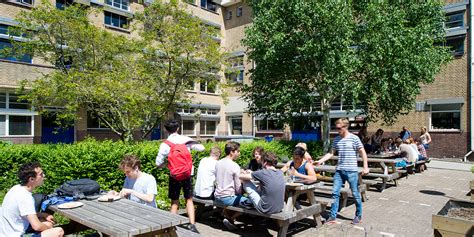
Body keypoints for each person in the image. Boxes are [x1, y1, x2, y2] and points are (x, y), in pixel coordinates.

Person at [156, 119, 205, 233]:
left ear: (166, 130)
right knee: (189, 199)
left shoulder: (165, 144)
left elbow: (158, 163)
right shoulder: (185, 140)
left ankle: (171, 226)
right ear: (178, 129)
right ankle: (192, 225)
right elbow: (202, 148)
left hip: (174, 175)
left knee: (174, 201)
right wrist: (191, 145)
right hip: (187, 174)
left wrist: (167, 164)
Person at [317, 118, 369, 225]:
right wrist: (319, 161)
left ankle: (358, 216)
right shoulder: (336, 139)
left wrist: (365, 167)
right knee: (335, 193)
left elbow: (362, 152)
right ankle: (332, 216)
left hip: (352, 171)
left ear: (346, 127)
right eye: (336, 128)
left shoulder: (354, 138)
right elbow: (331, 153)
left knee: (355, 194)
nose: (337, 130)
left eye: (339, 128)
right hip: (339, 171)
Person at [0, 161, 64, 237]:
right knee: (58, 231)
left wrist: (43, 214)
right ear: (32, 179)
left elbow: (23, 213)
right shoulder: (26, 197)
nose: (44, 175)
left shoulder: (16, 188)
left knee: (43, 220)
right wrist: (48, 226)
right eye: (41, 174)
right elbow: (37, 226)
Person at [214, 141, 250, 230]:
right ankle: (230, 218)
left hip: (217, 196)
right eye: (238, 151)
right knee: (251, 202)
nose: (239, 153)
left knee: (237, 198)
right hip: (227, 198)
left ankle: (226, 216)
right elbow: (238, 188)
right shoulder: (235, 166)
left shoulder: (218, 163)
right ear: (232, 152)